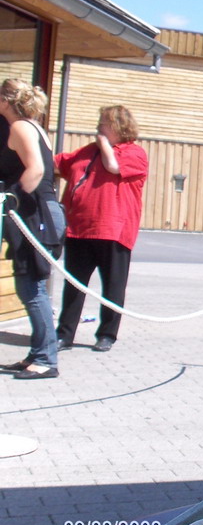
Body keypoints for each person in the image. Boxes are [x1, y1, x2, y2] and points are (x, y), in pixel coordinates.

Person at [54, 105, 148, 353]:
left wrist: (105, 144)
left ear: (118, 126)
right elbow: (59, 164)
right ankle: (64, 334)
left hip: (113, 231)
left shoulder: (134, 153)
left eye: (103, 122)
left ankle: (107, 334)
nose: (98, 126)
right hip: (79, 229)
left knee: (113, 286)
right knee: (74, 286)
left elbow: (113, 166)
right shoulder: (87, 151)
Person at [0, 79, 66, 379]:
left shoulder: (20, 127)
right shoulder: (33, 127)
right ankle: (37, 353)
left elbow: (37, 169)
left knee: (32, 288)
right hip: (39, 213)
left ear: (6, 101)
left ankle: (46, 360)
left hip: (36, 215)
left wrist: (11, 199)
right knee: (30, 286)